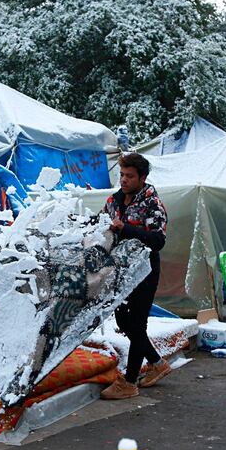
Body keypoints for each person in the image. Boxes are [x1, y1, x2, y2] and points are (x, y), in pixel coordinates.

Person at [100, 153, 170, 400]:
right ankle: (156, 362)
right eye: (121, 175)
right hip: (121, 271)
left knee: (138, 324)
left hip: (145, 270)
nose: (124, 180)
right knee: (123, 320)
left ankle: (129, 382)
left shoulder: (152, 204)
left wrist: (127, 229)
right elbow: (101, 221)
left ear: (143, 177)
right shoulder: (114, 200)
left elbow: (158, 240)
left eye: (130, 176)